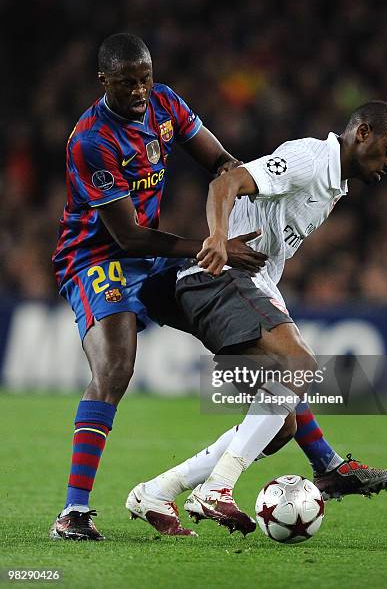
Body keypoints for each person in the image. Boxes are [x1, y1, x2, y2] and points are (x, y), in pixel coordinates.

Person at [127, 100, 387, 536]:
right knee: (300, 364)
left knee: (277, 426)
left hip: (242, 286)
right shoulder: (310, 159)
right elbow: (226, 183)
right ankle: (218, 487)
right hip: (217, 277)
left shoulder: (333, 187)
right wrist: (218, 239)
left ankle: (158, 491)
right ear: (363, 133)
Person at [49, 33, 268, 541]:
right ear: (104, 81)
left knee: (256, 341)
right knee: (116, 367)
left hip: (154, 255)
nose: (140, 91)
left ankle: (324, 460)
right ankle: (73, 512)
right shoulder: (90, 141)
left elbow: (222, 161)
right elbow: (125, 235)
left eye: (145, 78)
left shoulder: (166, 102)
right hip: (96, 258)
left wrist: (234, 205)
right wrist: (211, 246)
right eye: (127, 83)